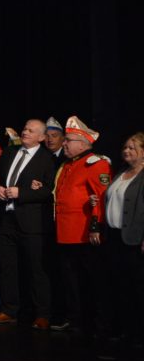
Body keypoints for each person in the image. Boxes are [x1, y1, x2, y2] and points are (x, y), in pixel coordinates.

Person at [0, 119, 56, 326]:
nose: (25, 132)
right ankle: (9, 310)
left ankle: (42, 314)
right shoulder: (10, 152)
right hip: (7, 219)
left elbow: (49, 191)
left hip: (32, 223)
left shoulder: (48, 159)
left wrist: (22, 193)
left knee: (37, 269)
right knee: (7, 267)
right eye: (25, 128)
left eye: (31, 131)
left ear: (41, 137)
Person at [50, 116, 111, 335]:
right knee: (70, 280)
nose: (64, 143)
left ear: (83, 144)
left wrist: (95, 226)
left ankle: (98, 322)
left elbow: (102, 198)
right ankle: (75, 319)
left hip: (84, 232)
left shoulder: (96, 164)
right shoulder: (67, 164)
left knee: (92, 280)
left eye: (68, 140)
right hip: (65, 232)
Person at [100, 132, 144, 345]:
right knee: (118, 285)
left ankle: (138, 332)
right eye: (125, 147)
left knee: (137, 287)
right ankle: (124, 329)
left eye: (132, 148)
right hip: (115, 237)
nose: (127, 151)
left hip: (135, 239)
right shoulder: (121, 172)